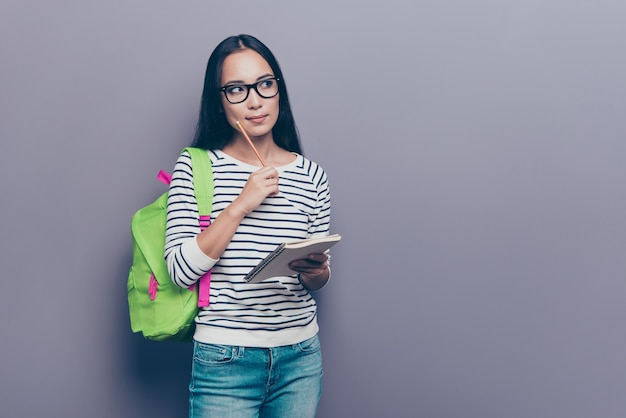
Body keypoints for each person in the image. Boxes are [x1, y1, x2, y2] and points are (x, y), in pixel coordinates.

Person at [164, 34, 333, 418]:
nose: (254, 100)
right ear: (219, 101)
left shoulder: (313, 177)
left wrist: (318, 269)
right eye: (237, 89)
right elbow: (179, 271)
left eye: (265, 84)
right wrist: (240, 204)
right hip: (226, 359)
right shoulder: (196, 167)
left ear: (278, 90)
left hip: (301, 356)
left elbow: (318, 281)